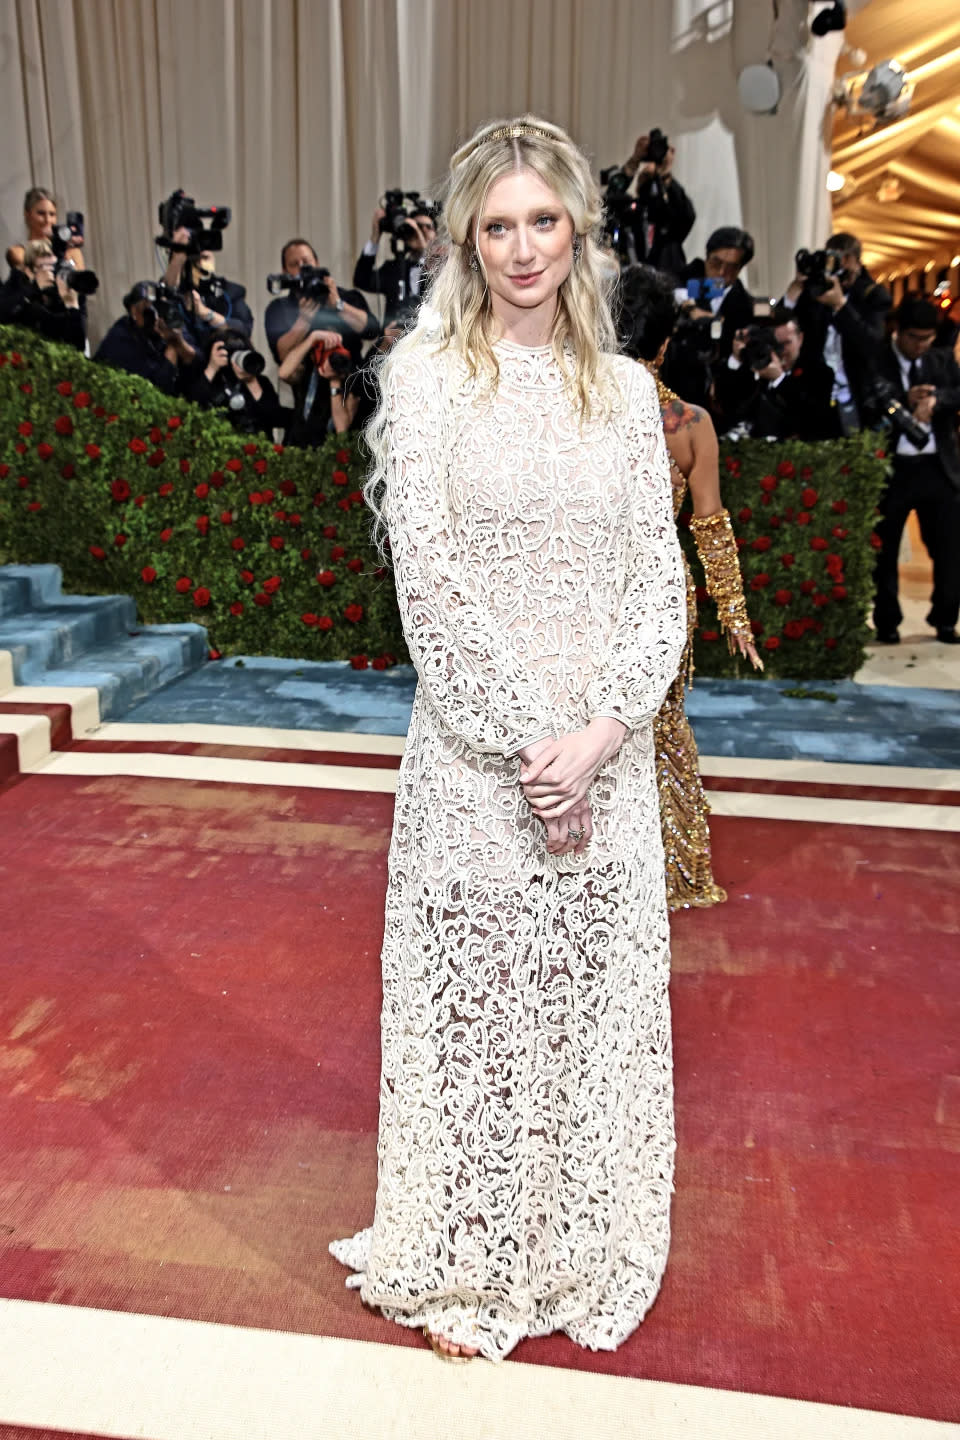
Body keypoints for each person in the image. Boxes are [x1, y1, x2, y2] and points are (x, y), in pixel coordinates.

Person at [330, 115, 687, 1363]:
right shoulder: (425, 382)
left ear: (578, 230)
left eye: (544, 221)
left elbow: (663, 581)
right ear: (465, 242)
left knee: (587, 1009)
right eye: (499, 226)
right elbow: (428, 586)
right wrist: (533, 745)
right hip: (478, 767)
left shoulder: (630, 393)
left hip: (604, 758)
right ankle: (474, 1254)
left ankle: (579, 1246)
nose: (524, 247)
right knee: (478, 1005)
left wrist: (599, 735)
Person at [618, 265, 761, 908]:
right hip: (663, 591)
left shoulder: (573, 411)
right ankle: (675, 871)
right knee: (664, 722)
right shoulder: (690, 421)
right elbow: (709, 524)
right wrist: (733, 611)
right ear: (668, 341)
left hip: (590, 586)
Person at [868, 296, 960, 646]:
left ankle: (946, 618)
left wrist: (937, 401)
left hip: (939, 467)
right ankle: (887, 622)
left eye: (927, 338)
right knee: (885, 549)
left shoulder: (940, 359)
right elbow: (868, 401)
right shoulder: (878, 357)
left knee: (949, 547)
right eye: (914, 338)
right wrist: (903, 402)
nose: (921, 346)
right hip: (894, 468)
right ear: (898, 331)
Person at [779, 231, 890, 434]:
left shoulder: (872, 295)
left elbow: (872, 343)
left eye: (843, 261)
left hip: (858, 394)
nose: (839, 269)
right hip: (816, 392)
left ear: (855, 261)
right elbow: (782, 323)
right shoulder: (817, 290)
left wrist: (840, 305)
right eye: (833, 261)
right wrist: (796, 289)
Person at [664, 226, 755, 407]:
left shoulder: (743, 304)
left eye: (731, 267)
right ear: (707, 256)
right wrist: (689, 309)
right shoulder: (680, 278)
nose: (721, 272)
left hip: (713, 387)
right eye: (716, 263)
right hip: (673, 373)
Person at [715, 310, 835, 440]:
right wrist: (736, 359)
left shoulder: (819, 372)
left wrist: (780, 379)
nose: (782, 350)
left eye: (787, 343)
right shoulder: (756, 366)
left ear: (800, 338)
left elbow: (814, 419)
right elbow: (725, 404)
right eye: (776, 344)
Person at [263, 238, 376, 365]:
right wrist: (303, 320)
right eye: (294, 264)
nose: (302, 268)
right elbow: (281, 355)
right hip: (307, 382)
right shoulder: (278, 308)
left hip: (351, 378)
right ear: (285, 272)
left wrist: (339, 305)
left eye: (306, 262)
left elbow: (372, 330)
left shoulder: (346, 296)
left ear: (316, 263)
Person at [95, 281, 197, 393]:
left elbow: (196, 361)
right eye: (149, 311)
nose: (156, 317)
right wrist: (172, 348)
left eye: (160, 308)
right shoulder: (120, 337)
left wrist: (178, 341)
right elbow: (155, 389)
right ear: (133, 311)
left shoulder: (170, 322)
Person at [620, 132, 695, 280]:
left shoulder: (668, 220)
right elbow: (609, 200)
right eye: (646, 177)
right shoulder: (630, 211)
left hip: (668, 281)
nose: (650, 183)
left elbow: (687, 216)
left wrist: (665, 176)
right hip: (634, 285)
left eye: (654, 180)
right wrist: (634, 160)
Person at [188, 328, 290, 436]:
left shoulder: (261, 381)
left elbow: (276, 418)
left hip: (257, 448)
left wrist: (251, 382)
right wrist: (212, 368)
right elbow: (192, 407)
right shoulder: (210, 380)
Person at [160, 227, 255, 341]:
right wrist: (178, 256)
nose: (201, 264)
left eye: (206, 258)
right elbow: (166, 293)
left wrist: (206, 313)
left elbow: (243, 330)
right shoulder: (176, 291)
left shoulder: (230, 291)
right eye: (196, 260)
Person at [353, 201, 438, 323]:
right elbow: (361, 280)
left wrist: (424, 250)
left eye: (428, 227)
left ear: (436, 235)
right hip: (391, 338)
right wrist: (375, 237)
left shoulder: (443, 267)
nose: (422, 231)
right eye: (417, 226)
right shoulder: (393, 268)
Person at [0, 239, 86, 350]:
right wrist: (34, 288)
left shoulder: (64, 291)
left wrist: (72, 305)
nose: (49, 273)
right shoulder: (18, 285)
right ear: (29, 270)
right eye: (43, 267)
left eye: (52, 266)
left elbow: (78, 346)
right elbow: (3, 314)